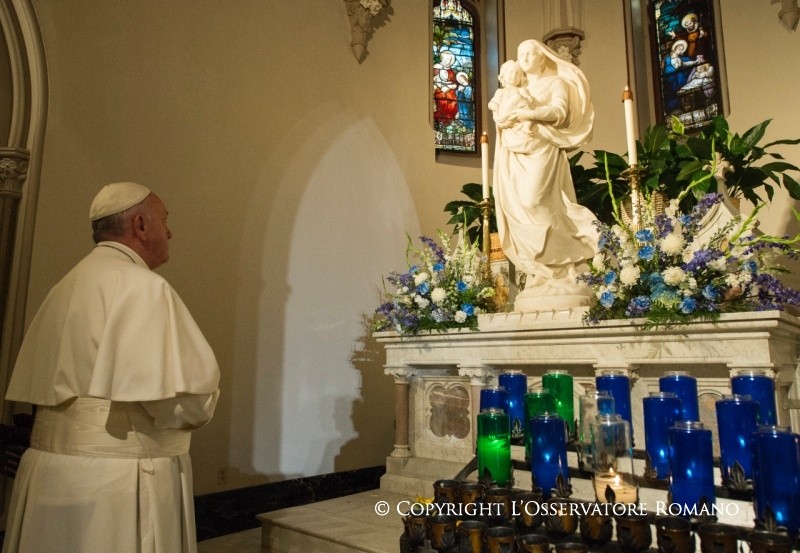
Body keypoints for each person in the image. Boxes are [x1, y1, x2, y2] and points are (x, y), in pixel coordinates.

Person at [3, 182, 220, 553]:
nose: (169, 233)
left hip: (47, 475)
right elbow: (181, 404)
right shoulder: (145, 288)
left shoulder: (63, 287)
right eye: (165, 220)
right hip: (118, 482)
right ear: (140, 225)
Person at [492, 39, 598, 312]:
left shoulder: (555, 83)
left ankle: (569, 261)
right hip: (516, 153)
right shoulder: (515, 87)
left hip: (544, 146)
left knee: (535, 201)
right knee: (518, 207)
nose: (524, 58)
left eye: (530, 53)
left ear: (542, 58)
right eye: (520, 54)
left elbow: (559, 112)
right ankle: (543, 270)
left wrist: (529, 113)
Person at [488, 59, 537, 154]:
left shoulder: (521, 90)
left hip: (516, 116)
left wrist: (529, 98)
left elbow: (528, 97)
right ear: (503, 76)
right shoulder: (501, 91)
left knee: (528, 111)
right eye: (510, 72)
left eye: (517, 74)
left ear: (521, 78)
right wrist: (494, 106)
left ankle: (526, 127)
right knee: (520, 100)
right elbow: (493, 102)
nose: (513, 76)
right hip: (504, 115)